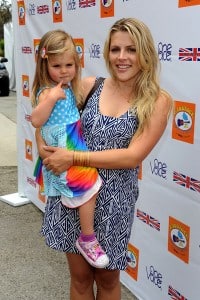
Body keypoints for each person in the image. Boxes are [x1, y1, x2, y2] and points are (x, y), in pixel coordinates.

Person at [36, 18, 172, 300]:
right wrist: (42, 148)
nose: (122, 57)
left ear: (145, 53)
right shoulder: (88, 86)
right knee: (80, 278)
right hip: (73, 191)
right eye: (115, 49)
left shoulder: (157, 100)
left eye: (131, 49)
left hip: (114, 201)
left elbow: (132, 156)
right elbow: (50, 122)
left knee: (108, 279)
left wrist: (71, 156)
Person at [31, 29, 109, 269]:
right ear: (45, 66)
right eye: (57, 66)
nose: (64, 71)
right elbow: (36, 120)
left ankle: (86, 236)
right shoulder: (48, 91)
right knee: (87, 189)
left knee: (89, 188)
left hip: (72, 140)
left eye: (69, 65)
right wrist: (51, 99)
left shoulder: (69, 88)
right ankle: (87, 238)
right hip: (64, 144)